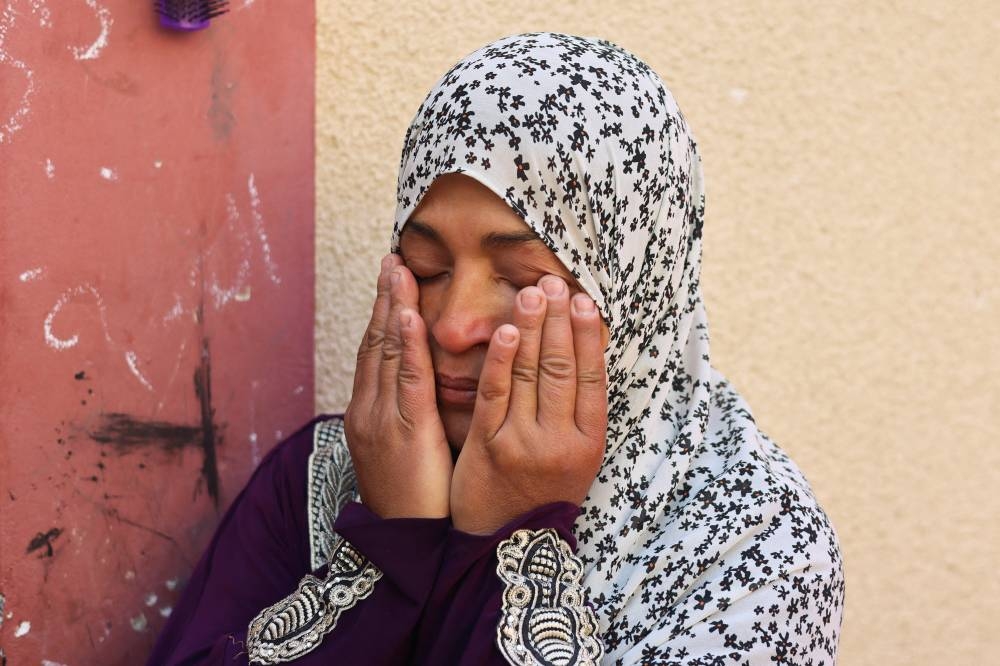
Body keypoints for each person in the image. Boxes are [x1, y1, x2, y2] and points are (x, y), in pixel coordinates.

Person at [148, 33, 844, 665]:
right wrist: (397, 540)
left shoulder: (750, 553)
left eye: (521, 282)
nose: (452, 325)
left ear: (638, 297)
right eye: (424, 268)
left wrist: (509, 538)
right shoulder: (321, 478)